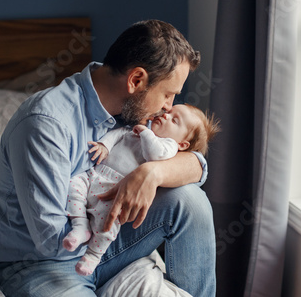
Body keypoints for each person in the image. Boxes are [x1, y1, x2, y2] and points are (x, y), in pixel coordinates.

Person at [0, 19, 217, 297]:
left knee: (190, 201)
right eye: (168, 94)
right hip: (38, 261)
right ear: (136, 80)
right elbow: (50, 240)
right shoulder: (45, 124)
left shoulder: (133, 112)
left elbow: (197, 166)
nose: (168, 107)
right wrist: (107, 232)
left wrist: (152, 173)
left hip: (101, 240)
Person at [64, 104, 220, 276]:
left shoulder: (168, 145)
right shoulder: (137, 128)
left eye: (174, 120)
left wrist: (146, 134)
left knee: (109, 221)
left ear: (182, 144)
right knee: (74, 185)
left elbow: (157, 154)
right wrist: (104, 145)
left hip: (115, 189)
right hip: (96, 175)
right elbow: (118, 134)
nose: (166, 114)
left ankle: (93, 255)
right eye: (168, 112)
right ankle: (80, 226)